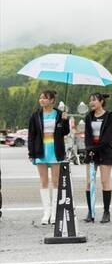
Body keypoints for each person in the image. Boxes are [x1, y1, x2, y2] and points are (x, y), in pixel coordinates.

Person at [27, 90, 69, 224]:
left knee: (56, 182)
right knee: (44, 181)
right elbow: (31, 136)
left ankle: (56, 212)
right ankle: (47, 212)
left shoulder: (59, 114)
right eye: (40, 98)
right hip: (41, 151)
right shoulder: (35, 116)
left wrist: (65, 120)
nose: (42, 100)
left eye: (45, 98)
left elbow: (65, 132)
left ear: (52, 101)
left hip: (55, 151)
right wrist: (31, 153)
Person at [83, 92, 112, 223]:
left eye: (94, 100)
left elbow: (107, 138)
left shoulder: (109, 117)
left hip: (105, 152)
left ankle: (106, 212)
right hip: (91, 152)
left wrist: (93, 149)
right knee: (89, 182)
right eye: (90, 100)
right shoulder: (88, 117)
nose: (91, 102)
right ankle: (90, 211)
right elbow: (87, 136)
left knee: (104, 181)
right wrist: (89, 149)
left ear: (101, 101)